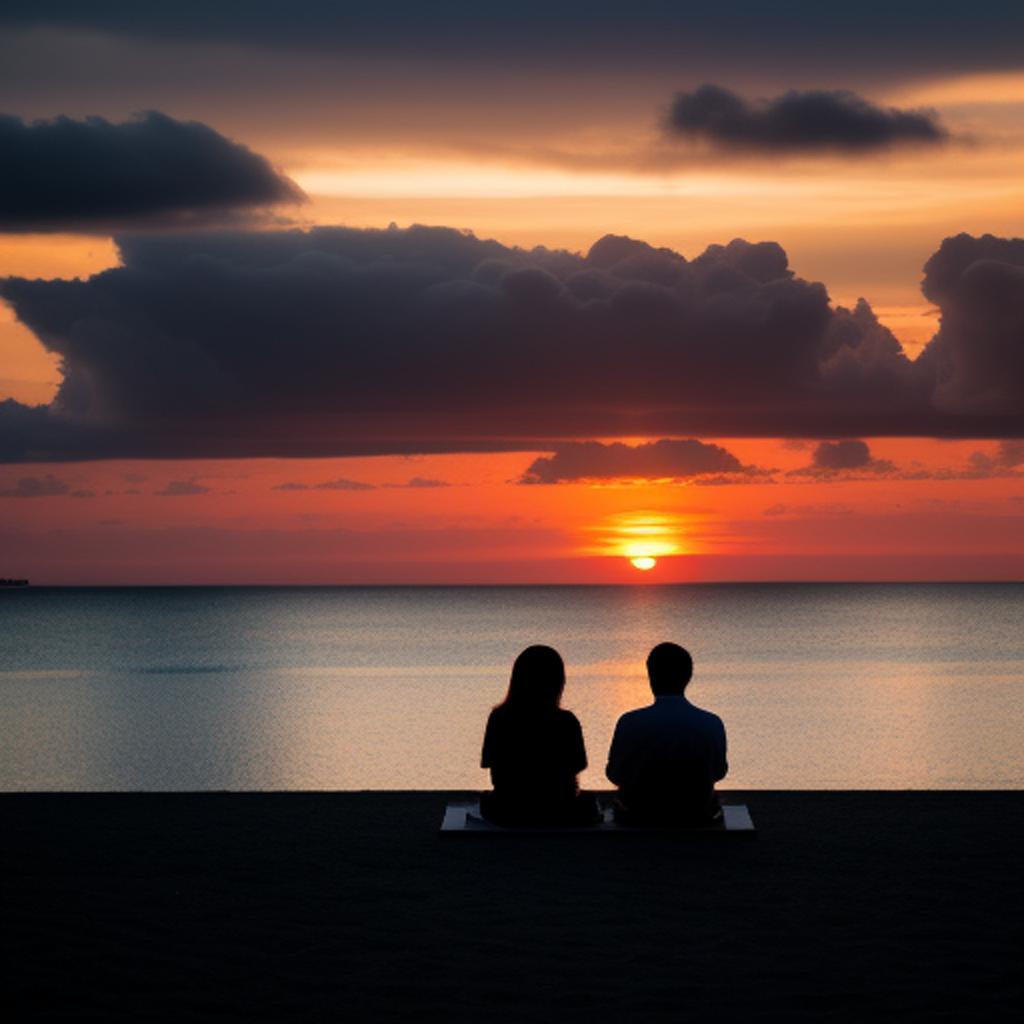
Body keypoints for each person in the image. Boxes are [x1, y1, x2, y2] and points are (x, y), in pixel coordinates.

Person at [606, 642, 727, 824]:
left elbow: (614, 774)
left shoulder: (629, 722)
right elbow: (718, 772)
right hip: (695, 813)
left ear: (651, 677)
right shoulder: (712, 723)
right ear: (688, 677)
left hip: (639, 814)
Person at [480, 645, 599, 825]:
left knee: (488, 802)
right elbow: (579, 764)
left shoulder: (499, 717)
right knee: (588, 804)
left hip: (509, 808)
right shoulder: (566, 720)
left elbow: (489, 763)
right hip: (559, 807)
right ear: (558, 682)